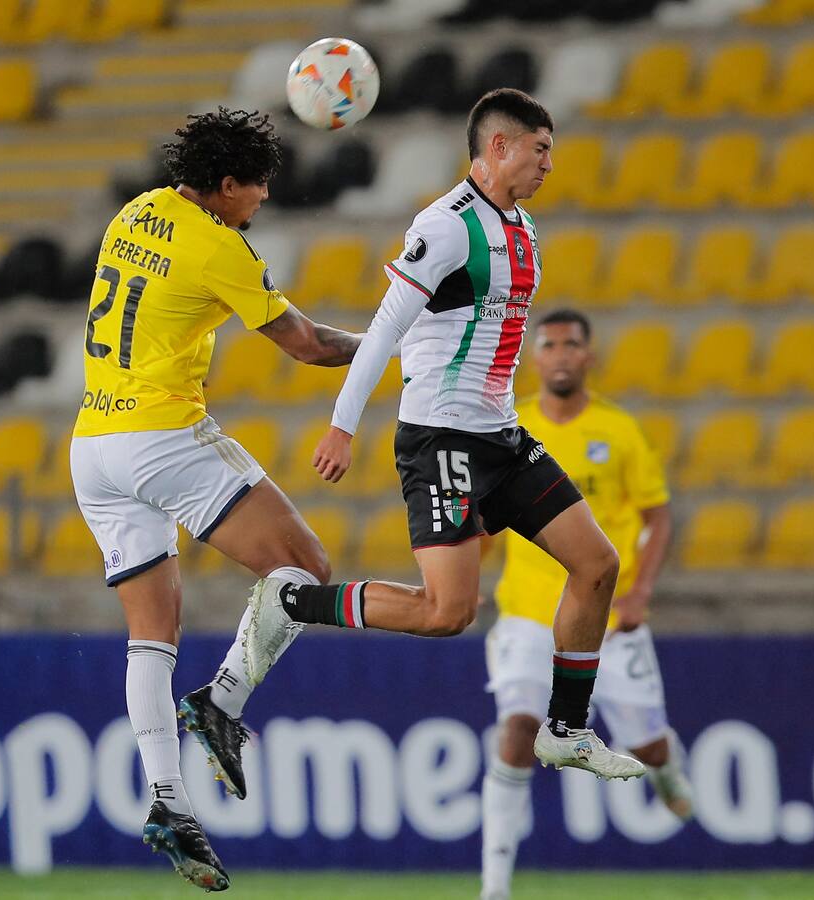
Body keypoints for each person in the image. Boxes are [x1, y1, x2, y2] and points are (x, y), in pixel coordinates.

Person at [241, 88, 645, 782]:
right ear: (499, 147)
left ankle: (567, 730)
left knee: (598, 564)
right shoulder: (447, 226)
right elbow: (384, 330)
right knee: (446, 613)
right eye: (541, 148)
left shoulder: (525, 227)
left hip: (502, 437)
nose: (550, 163)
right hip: (443, 440)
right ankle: (290, 602)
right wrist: (342, 425)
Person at [70, 108, 364, 892]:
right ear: (227, 184)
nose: (263, 199)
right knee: (305, 566)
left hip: (92, 445)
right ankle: (223, 701)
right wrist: (393, 343)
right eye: (258, 186)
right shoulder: (218, 245)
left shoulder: (138, 210)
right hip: (160, 436)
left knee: (152, 635)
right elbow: (307, 345)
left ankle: (168, 799)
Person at [479, 308, 693, 900]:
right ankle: (494, 887)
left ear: (589, 356)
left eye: (572, 344)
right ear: (534, 357)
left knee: (646, 746)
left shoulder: (618, 431)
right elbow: (482, 515)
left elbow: (657, 516)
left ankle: (666, 766)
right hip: (527, 615)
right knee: (517, 729)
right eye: (549, 345)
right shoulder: (510, 426)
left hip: (606, 619)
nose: (561, 354)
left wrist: (641, 592)